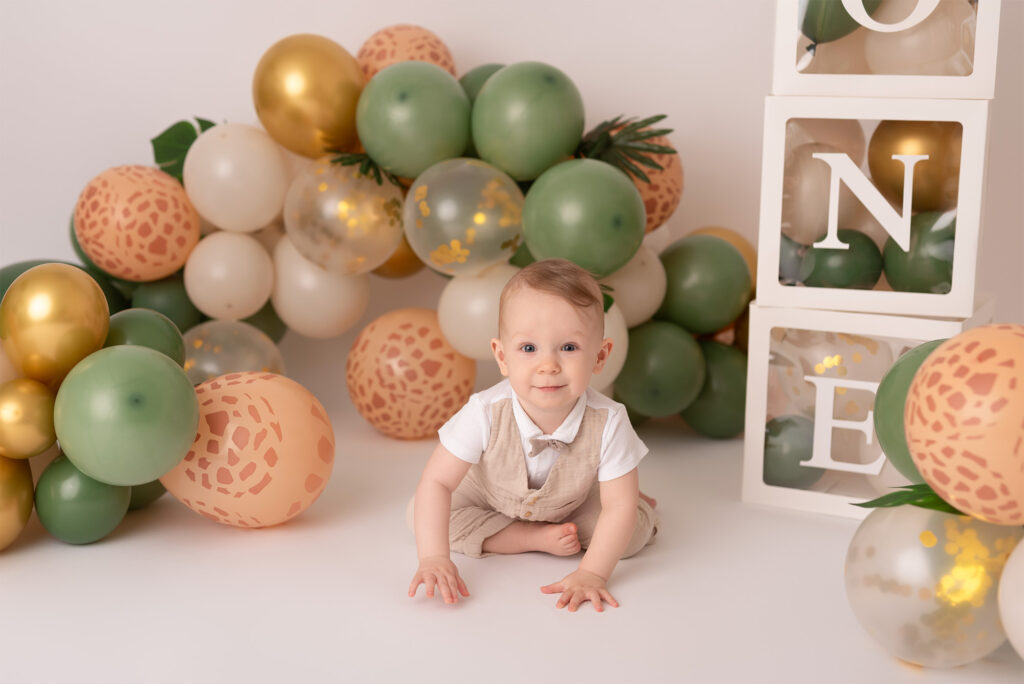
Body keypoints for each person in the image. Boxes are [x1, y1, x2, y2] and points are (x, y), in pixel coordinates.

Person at [407, 258, 659, 612]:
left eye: (569, 347)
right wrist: (433, 557)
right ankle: (525, 538)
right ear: (502, 356)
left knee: (627, 531)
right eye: (528, 349)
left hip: (572, 500)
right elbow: (437, 482)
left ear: (600, 356)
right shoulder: (484, 411)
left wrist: (592, 573)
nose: (548, 365)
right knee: (422, 511)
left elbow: (616, 509)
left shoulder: (610, 420)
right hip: (489, 492)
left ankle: (627, 488)